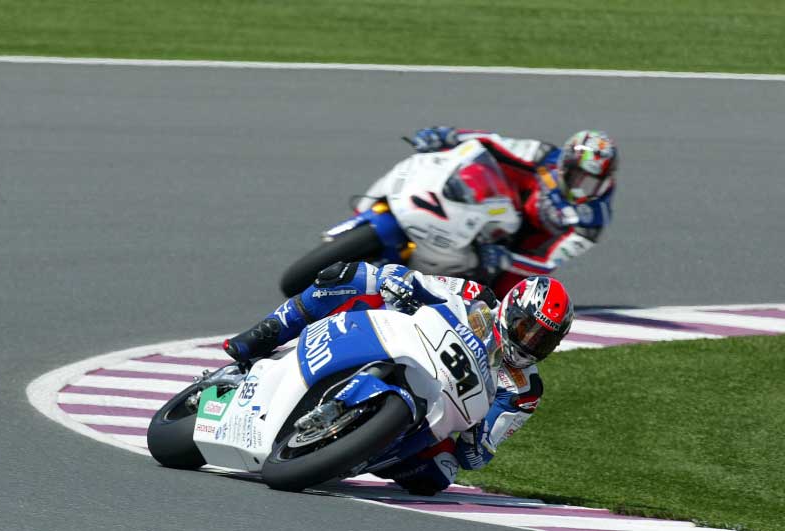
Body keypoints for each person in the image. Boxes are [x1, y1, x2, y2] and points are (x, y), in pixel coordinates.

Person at [224, 261, 574, 495]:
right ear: (511, 309)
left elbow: (476, 457)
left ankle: (355, 449)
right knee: (354, 275)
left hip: (436, 411)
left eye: (542, 340)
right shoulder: (476, 296)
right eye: (527, 330)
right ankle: (266, 333)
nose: (529, 343)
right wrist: (398, 282)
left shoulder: (525, 391)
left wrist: (475, 436)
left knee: (440, 473)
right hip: (404, 340)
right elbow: (421, 281)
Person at [410, 126, 618, 297]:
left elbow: (547, 263)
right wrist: (449, 136)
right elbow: (493, 142)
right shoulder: (542, 154)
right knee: (471, 175)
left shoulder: (592, 222)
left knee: (504, 295)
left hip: (526, 248)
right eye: (577, 177)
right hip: (503, 203)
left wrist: (506, 258)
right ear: (564, 165)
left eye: (591, 183)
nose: (581, 189)